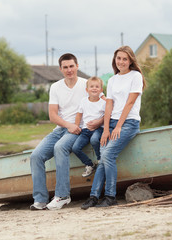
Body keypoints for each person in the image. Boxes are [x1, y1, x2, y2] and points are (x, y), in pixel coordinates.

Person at [29, 53, 102, 211]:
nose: (69, 70)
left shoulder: (86, 84)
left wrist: (98, 123)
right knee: (36, 156)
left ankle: (62, 196)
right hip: (61, 128)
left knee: (60, 147)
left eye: (71, 66)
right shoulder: (55, 87)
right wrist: (67, 125)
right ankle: (40, 199)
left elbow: (104, 103)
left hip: (79, 129)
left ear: (77, 66)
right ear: (61, 69)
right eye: (65, 67)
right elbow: (52, 115)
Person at [81, 46, 146, 209]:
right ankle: (94, 197)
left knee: (107, 155)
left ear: (130, 60)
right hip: (111, 124)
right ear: (114, 60)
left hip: (128, 123)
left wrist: (118, 127)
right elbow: (109, 104)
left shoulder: (135, 76)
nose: (121, 62)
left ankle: (110, 196)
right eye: (119, 58)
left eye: (125, 59)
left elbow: (130, 103)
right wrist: (107, 128)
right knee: (103, 159)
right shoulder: (112, 80)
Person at [72, 76, 106, 178]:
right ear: (87, 90)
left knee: (94, 140)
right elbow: (79, 114)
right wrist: (76, 126)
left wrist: (99, 123)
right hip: (85, 130)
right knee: (75, 148)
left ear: (101, 90)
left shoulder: (104, 103)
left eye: (97, 86)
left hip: (98, 129)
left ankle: (100, 160)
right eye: (91, 86)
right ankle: (89, 164)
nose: (94, 88)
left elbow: (107, 116)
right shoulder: (84, 101)